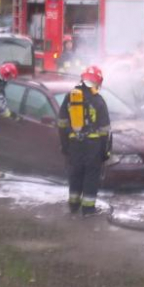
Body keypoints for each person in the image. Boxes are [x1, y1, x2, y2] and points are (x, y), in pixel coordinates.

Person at [58, 66, 111, 215]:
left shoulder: (70, 97)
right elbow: (105, 129)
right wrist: (104, 151)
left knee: (75, 173)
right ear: (97, 82)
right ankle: (88, 209)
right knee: (91, 175)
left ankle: (73, 205)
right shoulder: (98, 100)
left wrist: (65, 144)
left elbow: (62, 123)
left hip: (74, 144)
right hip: (93, 146)